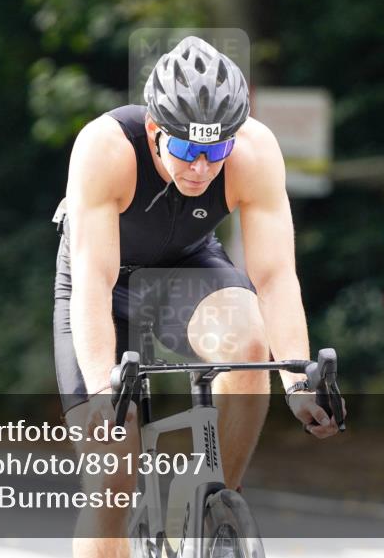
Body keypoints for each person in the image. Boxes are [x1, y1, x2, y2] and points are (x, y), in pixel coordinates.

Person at [53, 36, 345, 558]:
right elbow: (93, 283)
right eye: (187, 149)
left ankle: (212, 514)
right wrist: (104, 389)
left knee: (250, 348)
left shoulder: (254, 152)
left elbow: (275, 277)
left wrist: (299, 384)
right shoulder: (106, 147)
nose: (201, 167)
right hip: (100, 284)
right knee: (113, 476)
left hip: (188, 270)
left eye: (216, 151)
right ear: (153, 130)